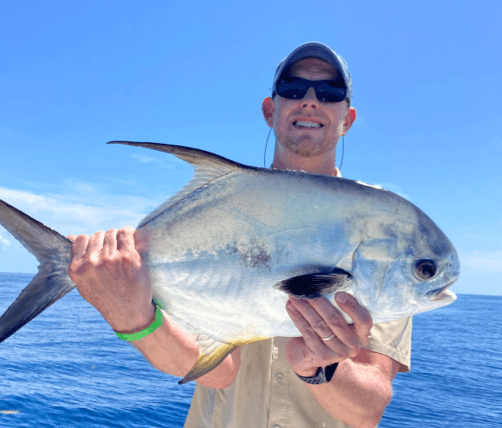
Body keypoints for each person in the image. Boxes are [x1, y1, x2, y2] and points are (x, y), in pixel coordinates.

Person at [68, 42, 412, 428]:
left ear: (347, 119)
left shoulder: (382, 229)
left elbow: (369, 409)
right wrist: (131, 317)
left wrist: (320, 369)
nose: (311, 102)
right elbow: (217, 371)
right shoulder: (227, 201)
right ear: (271, 110)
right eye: (294, 89)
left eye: (329, 93)